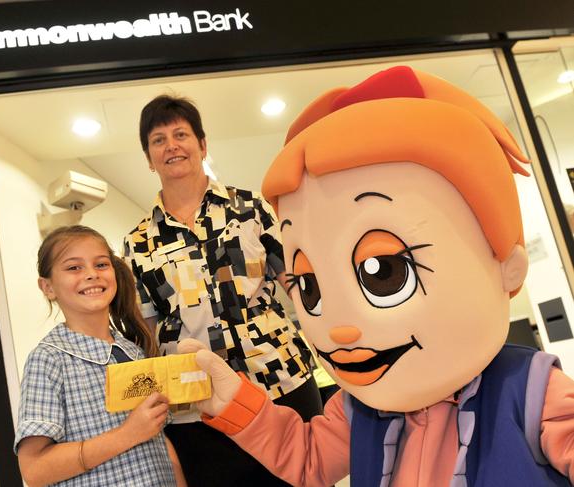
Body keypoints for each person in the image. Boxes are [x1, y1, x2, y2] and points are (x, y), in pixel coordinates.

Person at [178, 66, 574, 486]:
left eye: (384, 272)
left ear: (504, 266)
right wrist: (237, 402)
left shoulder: (533, 392)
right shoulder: (360, 406)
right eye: (309, 287)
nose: (341, 329)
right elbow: (308, 460)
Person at [124, 94, 323, 486]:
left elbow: (297, 283)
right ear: (148, 158)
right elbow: (145, 327)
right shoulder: (138, 241)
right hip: (196, 403)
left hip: (278, 378)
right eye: (158, 140)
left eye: (180, 134)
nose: (171, 146)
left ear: (202, 144)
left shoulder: (251, 208)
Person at [14, 225, 185, 487]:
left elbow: (159, 437)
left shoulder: (133, 352)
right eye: (74, 267)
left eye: (101, 264)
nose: (92, 275)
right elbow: (35, 469)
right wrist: (127, 434)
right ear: (47, 287)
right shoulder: (48, 360)